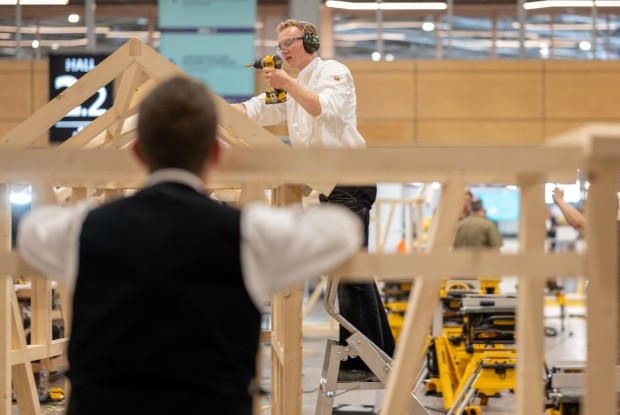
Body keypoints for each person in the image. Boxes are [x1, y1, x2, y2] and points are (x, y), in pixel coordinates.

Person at [16, 76, 365, 415]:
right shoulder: (249, 234)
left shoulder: (82, 229)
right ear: (215, 153)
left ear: (137, 151)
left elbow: (31, 230)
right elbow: (343, 230)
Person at [234, 18, 395, 379]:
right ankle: (378, 354)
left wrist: (287, 83)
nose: (284, 51)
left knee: (350, 273)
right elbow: (257, 110)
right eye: (280, 46)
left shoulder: (333, 72)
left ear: (309, 41)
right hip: (330, 186)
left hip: (350, 180)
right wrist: (215, 111)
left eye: (289, 43)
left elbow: (324, 108)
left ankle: (366, 360)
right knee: (349, 271)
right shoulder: (291, 88)